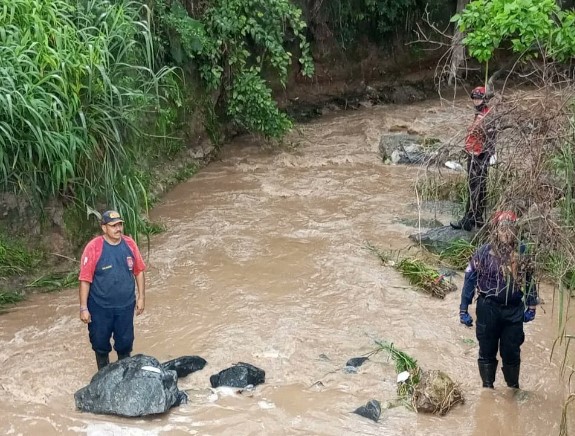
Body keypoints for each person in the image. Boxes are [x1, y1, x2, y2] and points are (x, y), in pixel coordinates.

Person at [458, 210, 538, 389]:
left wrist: (531, 306)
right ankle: (487, 389)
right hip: (488, 308)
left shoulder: (522, 252)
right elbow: (469, 278)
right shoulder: (484, 252)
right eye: (503, 228)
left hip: (513, 310)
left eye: (511, 229)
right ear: (495, 230)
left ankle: (513, 388)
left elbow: (530, 280)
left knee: (511, 352)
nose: (506, 233)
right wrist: (464, 308)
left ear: (516, 231)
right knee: (486, 351)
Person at [78, 210, 146, 370]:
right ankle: (102, 374)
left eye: (120, 224)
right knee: (100, 343)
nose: (118, 229)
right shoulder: (93, 247)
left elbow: (139, 270)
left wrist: (141, 297)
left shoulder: (129, 244)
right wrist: (83, 308)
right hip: (99, 307)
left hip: (125, 305)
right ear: (104, 228)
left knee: (125, 343)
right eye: (113, 225)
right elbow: (85, 279)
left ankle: (124, 374)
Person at [451, 86, 497, 231]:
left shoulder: (486, 115)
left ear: (484, 99)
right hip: (474, 154)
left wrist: (489, 155)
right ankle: (477, 217)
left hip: (479, 155)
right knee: (478, 187)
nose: (476, 101)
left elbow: (491, 137)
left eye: (478, 98)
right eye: (474, 98)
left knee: (475, 187)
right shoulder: (480, 113)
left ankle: (469, 219)